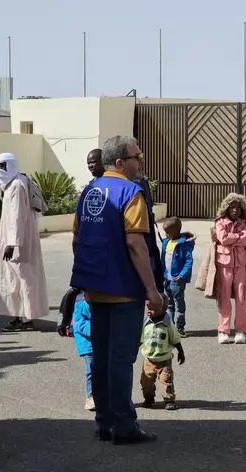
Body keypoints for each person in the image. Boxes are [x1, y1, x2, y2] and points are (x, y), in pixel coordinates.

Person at [71, 135, 164, 445]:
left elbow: (77, 239)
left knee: (101, 358)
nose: (142, 161)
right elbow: (136, 244)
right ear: (121, 162)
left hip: (96, 288)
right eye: (138, 157)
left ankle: (104, 422)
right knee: (121, 360)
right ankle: (123, 425)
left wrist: (88, 276)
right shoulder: (130, 192)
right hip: (124, 289)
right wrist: (152, 290)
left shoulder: (90, 191)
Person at [0, 152, 50, 332]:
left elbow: (17, 216)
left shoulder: (16, 186)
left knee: (20, 279)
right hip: (18, 238)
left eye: (2, 166)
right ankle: (23, 318)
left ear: (11, 165)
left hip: (18, 241)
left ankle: (23, 319)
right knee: (20, 278)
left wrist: (12, 243)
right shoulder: (13, 183)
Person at [214, 193, 246, 345]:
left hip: (240, 264)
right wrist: (237, 237)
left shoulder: (243, 223)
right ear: (226, 208)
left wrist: (232, 238)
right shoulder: (220, 222)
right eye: (232, 207)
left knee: (241, 297)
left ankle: (241, 330)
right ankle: (223, 331)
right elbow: (222, 238)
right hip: (224, 264)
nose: (235, 210)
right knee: (223, 297)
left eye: (238, 208)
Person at [139, 311, 185, 411]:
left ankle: (169, 400)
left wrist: (180, 351)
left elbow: (175, 339)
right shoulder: (145, 324)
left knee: (167, 380)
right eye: (148, 307)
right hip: (149, 360)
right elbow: (140, 339)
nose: (149, 310)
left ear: (163, 308)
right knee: (146, 382)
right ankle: (149, 398)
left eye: (153, 308)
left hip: (164, 360)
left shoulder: (168, 324)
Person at [160, 217, 195, 337]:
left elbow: (188, 261)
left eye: (168, 232)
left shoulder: (184, 244)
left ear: (176, 231)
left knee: (179, 305)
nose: (166, 234)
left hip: (177, 280)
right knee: (169, 305)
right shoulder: (166, 242)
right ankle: (170, 328)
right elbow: (163, 259)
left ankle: (180, 328)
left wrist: (182, 275)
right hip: (167, 279)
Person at [71, 291, 95, 411]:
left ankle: (103, 396)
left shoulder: (101, 305)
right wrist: (96, 329)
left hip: (101, 342)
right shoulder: (79, 305)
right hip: (87, 344)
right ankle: (90, 397)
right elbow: (79, 324)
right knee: (90, 371)